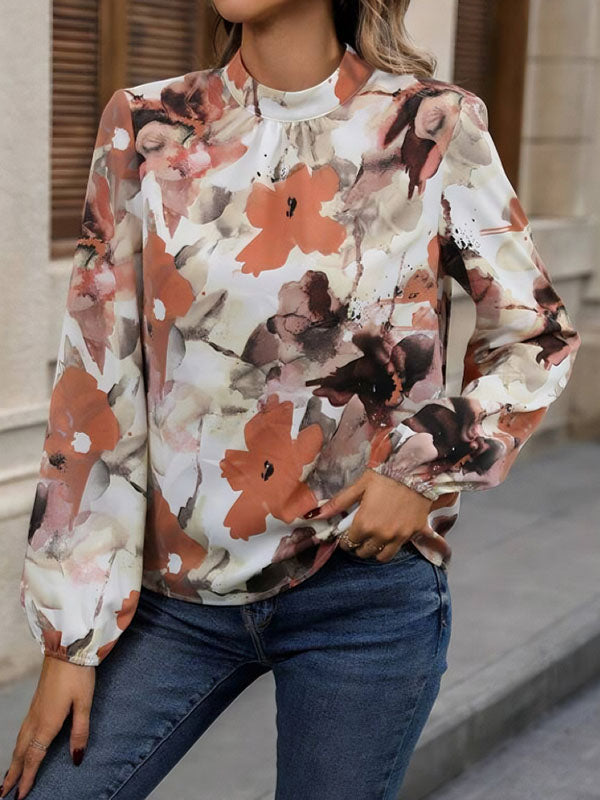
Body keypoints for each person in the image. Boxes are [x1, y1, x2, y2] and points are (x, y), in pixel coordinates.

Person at [1, 0, 581, 798]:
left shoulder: (433, 126)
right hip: (176, 597)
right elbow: (96, 379)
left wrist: (422, 466)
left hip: (361, 592)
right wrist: (70, 637)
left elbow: (535, 332)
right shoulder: (148, 125)